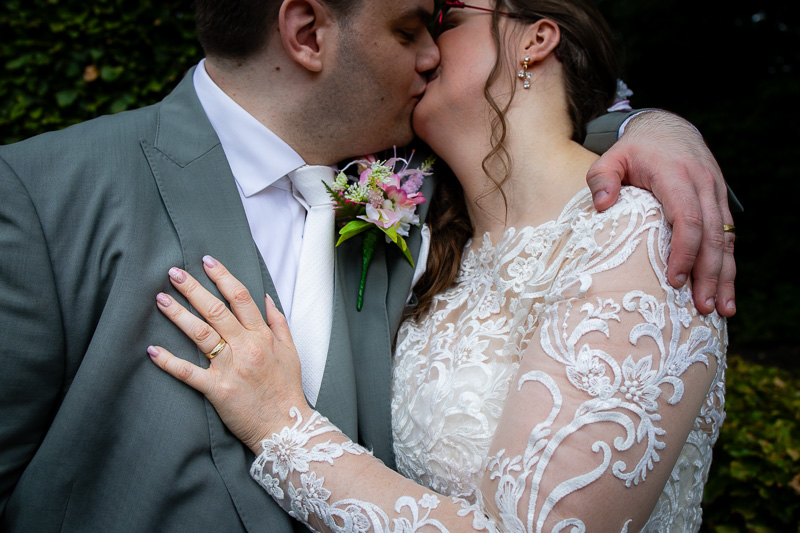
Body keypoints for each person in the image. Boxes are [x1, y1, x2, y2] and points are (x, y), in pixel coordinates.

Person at [0, 0, 732, 530]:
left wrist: (658, 128)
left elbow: (550, 135)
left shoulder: (422, 198)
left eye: (443, 25)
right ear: (307, 32)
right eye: (415, 27)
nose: (430, 56)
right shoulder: (46, 191)